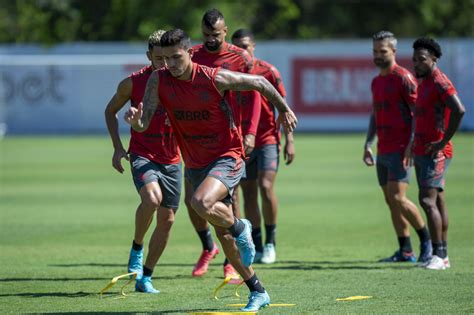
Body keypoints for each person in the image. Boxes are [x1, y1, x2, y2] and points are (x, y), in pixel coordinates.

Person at [124, 28, 297, 312]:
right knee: (225, 239)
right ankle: (258, 290)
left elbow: (260, 84)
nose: (170, 64)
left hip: (227, 156)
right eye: (164, 58)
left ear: (189, 52)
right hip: (195, 163)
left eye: (176, 57)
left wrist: (283, 109)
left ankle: (241, 226)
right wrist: (135, 121)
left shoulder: (213, 78)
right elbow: (144, 122)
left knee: (200, 202)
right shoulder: (159, 79)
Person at [104, 30, 181, 293]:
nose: (164, 63)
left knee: (167, 220)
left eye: (168, 57)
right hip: (142, 154)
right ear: (149, 56)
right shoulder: (133, 83)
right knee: (151, 199)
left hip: (172, 159)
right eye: (158, 58)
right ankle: (137, 247)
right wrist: (117, 148)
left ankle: (145, 277)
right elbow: (110, 111)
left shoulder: (180, 81)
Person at [187, 8, 261, 279]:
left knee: (231, 199)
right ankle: (209, 247)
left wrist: (251, 132)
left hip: (229, 141)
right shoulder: (192, 56)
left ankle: (233, 260)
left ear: (225, 30)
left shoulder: (240, 57)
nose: (210, 39)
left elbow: (256, 95)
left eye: (215, 35)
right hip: (195, 143)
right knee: (191, 201)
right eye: (206, 34)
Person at [363, 31, 432, 263]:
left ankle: (427, 242)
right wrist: (368, 143)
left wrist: (412, 143)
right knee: (390, 200)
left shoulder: (404, 78)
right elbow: (375, 114)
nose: (378, 56)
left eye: (382, 51)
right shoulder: (376, 81)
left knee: (398, 198)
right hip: (383, 148)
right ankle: (405, 250)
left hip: (401, 147)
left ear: (393, 51)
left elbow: (417, 113)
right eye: (375, 51)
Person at [231, 28, 295, 264]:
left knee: (266, 187)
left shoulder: (268, 71)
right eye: (237, 47)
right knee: (248, 193)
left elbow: (283, 108)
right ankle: (256, 244)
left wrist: (290, 140)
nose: (242, 51)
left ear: (253, 46)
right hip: (241, 142)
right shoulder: (230, 74)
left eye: (245, 46)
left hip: (267, 138)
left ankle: (271, 242)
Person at [411, 37, 465, 270]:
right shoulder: (424, 81)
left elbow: (459, 110)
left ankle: (438, 255)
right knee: (438, 201)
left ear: (434, 59)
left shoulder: (440, 82)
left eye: (422, 59)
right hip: (423, 149)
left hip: (436, 151)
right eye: (414, 60)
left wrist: (443, 141)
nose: (417, 64)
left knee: (427, 200)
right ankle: (442, 255)